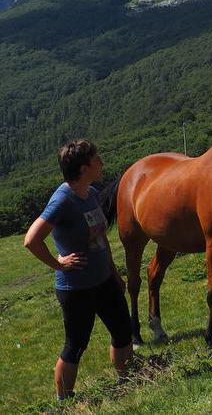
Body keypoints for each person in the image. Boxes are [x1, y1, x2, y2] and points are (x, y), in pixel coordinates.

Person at [23, 140, 133, 401]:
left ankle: (128, 381)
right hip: (76, 289)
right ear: (84, 168)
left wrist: (114, 272)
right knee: (76, 346)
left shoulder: (92, 193)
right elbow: (31, 240)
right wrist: (58, 264)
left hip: (104, 280)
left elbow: (101, 238)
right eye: (97, 159)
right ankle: (65, 402)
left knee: (122, 332)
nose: (101, 163)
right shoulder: (62, 200)